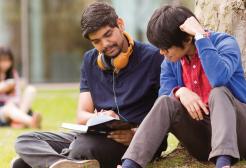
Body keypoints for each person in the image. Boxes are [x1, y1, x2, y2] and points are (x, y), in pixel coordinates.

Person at [12, 2, 166, 168]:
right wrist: (98, 118)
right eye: (97, 41)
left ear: (120, 25)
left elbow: (165, 113)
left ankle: (61, 161)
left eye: (108, 35)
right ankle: (60, 163)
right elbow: (81, 115)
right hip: (94, 137)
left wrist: (136, 135)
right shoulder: (89, 60)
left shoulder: (154, 58)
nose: (105, 44)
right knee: (25, 140)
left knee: (29, 162)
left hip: (133, 141)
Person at [119, 5, 246, 168]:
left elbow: (218, 78)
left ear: (187, 39)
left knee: (219, 92)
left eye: (165, 47)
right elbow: (164, 101)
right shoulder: (170, 62)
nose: (161, 52)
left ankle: (223, 164)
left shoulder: (224, 43)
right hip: (203, 141)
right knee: (165, 101)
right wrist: (180, 91)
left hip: (238, 134)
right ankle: (130, 165)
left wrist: (200, 36)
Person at [0, 46, 41, 128]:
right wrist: (3, 88)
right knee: (9, 107)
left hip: (16, 107)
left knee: (30, 90)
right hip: (3, 110)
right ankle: (31, 121)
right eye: (2, 60)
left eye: (8, 60)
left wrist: (12, 101)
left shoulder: (13, 74)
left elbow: (18, 96)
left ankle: (18, 122)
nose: (5, 64)